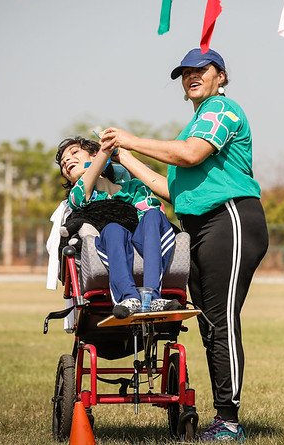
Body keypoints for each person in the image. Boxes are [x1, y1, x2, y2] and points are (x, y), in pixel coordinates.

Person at [100, 48, 269, 442]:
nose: (191, 76)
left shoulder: (221, 110)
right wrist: (124, 155)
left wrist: (132, 139)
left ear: (220, 76)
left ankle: (229, 423)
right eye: (185, 72)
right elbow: (170, 191)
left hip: (230, 218)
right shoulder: (192, 126)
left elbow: (192, 155)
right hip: (198, 224)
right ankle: (223, 421)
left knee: (222, 320)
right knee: (209, 325)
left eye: (201, 70)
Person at [56, 136, 181, 318]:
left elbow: (155, 214)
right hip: (111, 244)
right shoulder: (78, 196)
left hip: (141, 240)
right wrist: (105, 151)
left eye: (74, 152)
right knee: (113, 229)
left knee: (154, 215)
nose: (67, 161)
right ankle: (128, 297)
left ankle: (153, 297)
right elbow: (80, 195)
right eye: (63, 163)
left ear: (94, 155)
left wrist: (112, 155)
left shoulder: (134, 189)